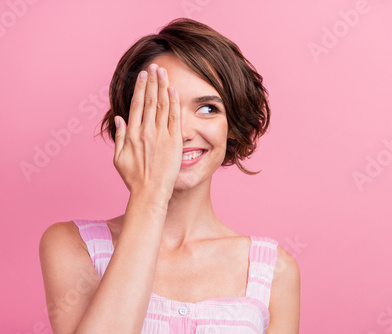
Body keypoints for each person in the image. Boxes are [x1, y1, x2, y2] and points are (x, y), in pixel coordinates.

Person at [39, 17, 300, 333]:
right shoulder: (71, 245)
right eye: (161, 109)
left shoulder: (275, 271)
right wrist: (150, 194)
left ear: (232, 126)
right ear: (130, 124)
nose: (183, 132)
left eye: (207, 108)